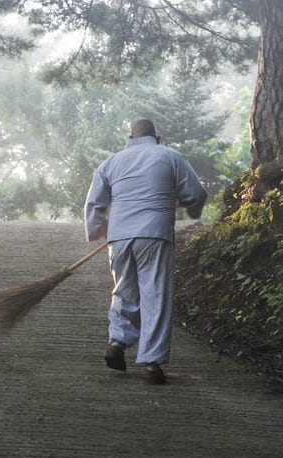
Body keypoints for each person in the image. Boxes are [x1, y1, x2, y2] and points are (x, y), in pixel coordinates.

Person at [84, 119, 207, 385]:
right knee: (155, 295)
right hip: (155, 234)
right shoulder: (171, 157)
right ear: (157, 138)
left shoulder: (111, 162)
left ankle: (116, 343)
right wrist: (180, 201)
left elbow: (95, 202)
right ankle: (152, 365)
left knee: (124, 290)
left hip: (120, 236)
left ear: (129, 137)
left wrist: (99, 230)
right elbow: (195, 193)